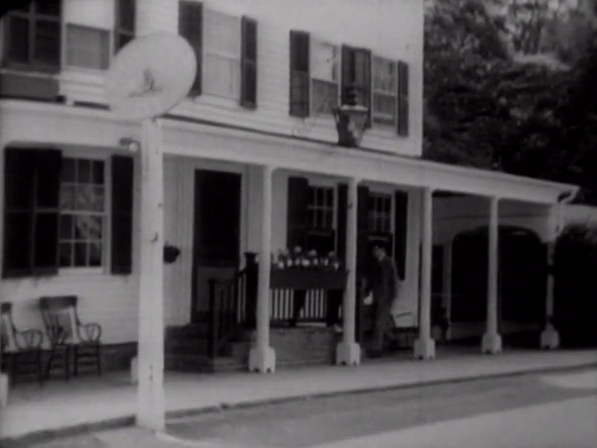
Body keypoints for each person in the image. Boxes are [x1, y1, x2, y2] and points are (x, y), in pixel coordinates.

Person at [366, 245, 399, 357]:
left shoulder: (388, 263)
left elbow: (393, 282)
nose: (375, 252)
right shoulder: (376, 263)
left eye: (376, 250)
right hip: (378, 296)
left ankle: (377, 348)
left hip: (385, 297)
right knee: (383, 322)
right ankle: (393, 340)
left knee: (379, 323)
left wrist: (391, 297)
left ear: (382, 250)